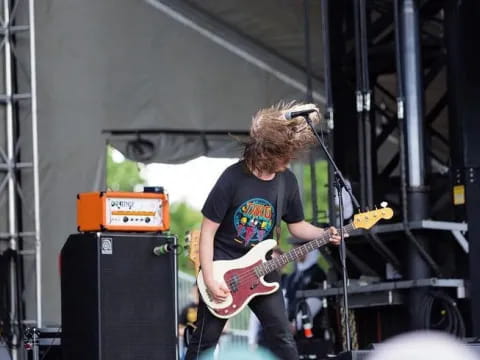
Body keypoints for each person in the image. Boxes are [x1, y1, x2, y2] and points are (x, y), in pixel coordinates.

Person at [185, 102, 342, 360]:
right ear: (266, 152)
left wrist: (325, 233)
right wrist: (211, 279)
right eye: (283, 155)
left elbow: (297, 226)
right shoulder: (232, 178)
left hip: (262, 273)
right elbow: (207, 232)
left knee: (283, 339)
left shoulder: (287, 182)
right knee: (205, 342)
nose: (287, 160)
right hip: (224, 273)